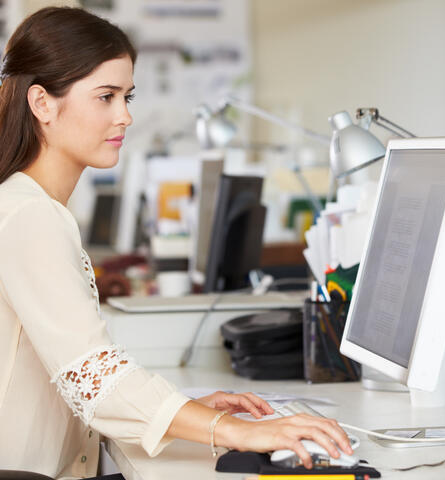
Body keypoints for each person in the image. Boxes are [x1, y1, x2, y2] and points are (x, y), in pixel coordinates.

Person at [0, 7, 353, 480]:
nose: (124, 116)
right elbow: (96, 381)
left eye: (127, 96)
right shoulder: (30, 215)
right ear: (42, 103)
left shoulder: (33, 206)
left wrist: (183, 411)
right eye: (105, 96)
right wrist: (239, 431)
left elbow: (82, 378)